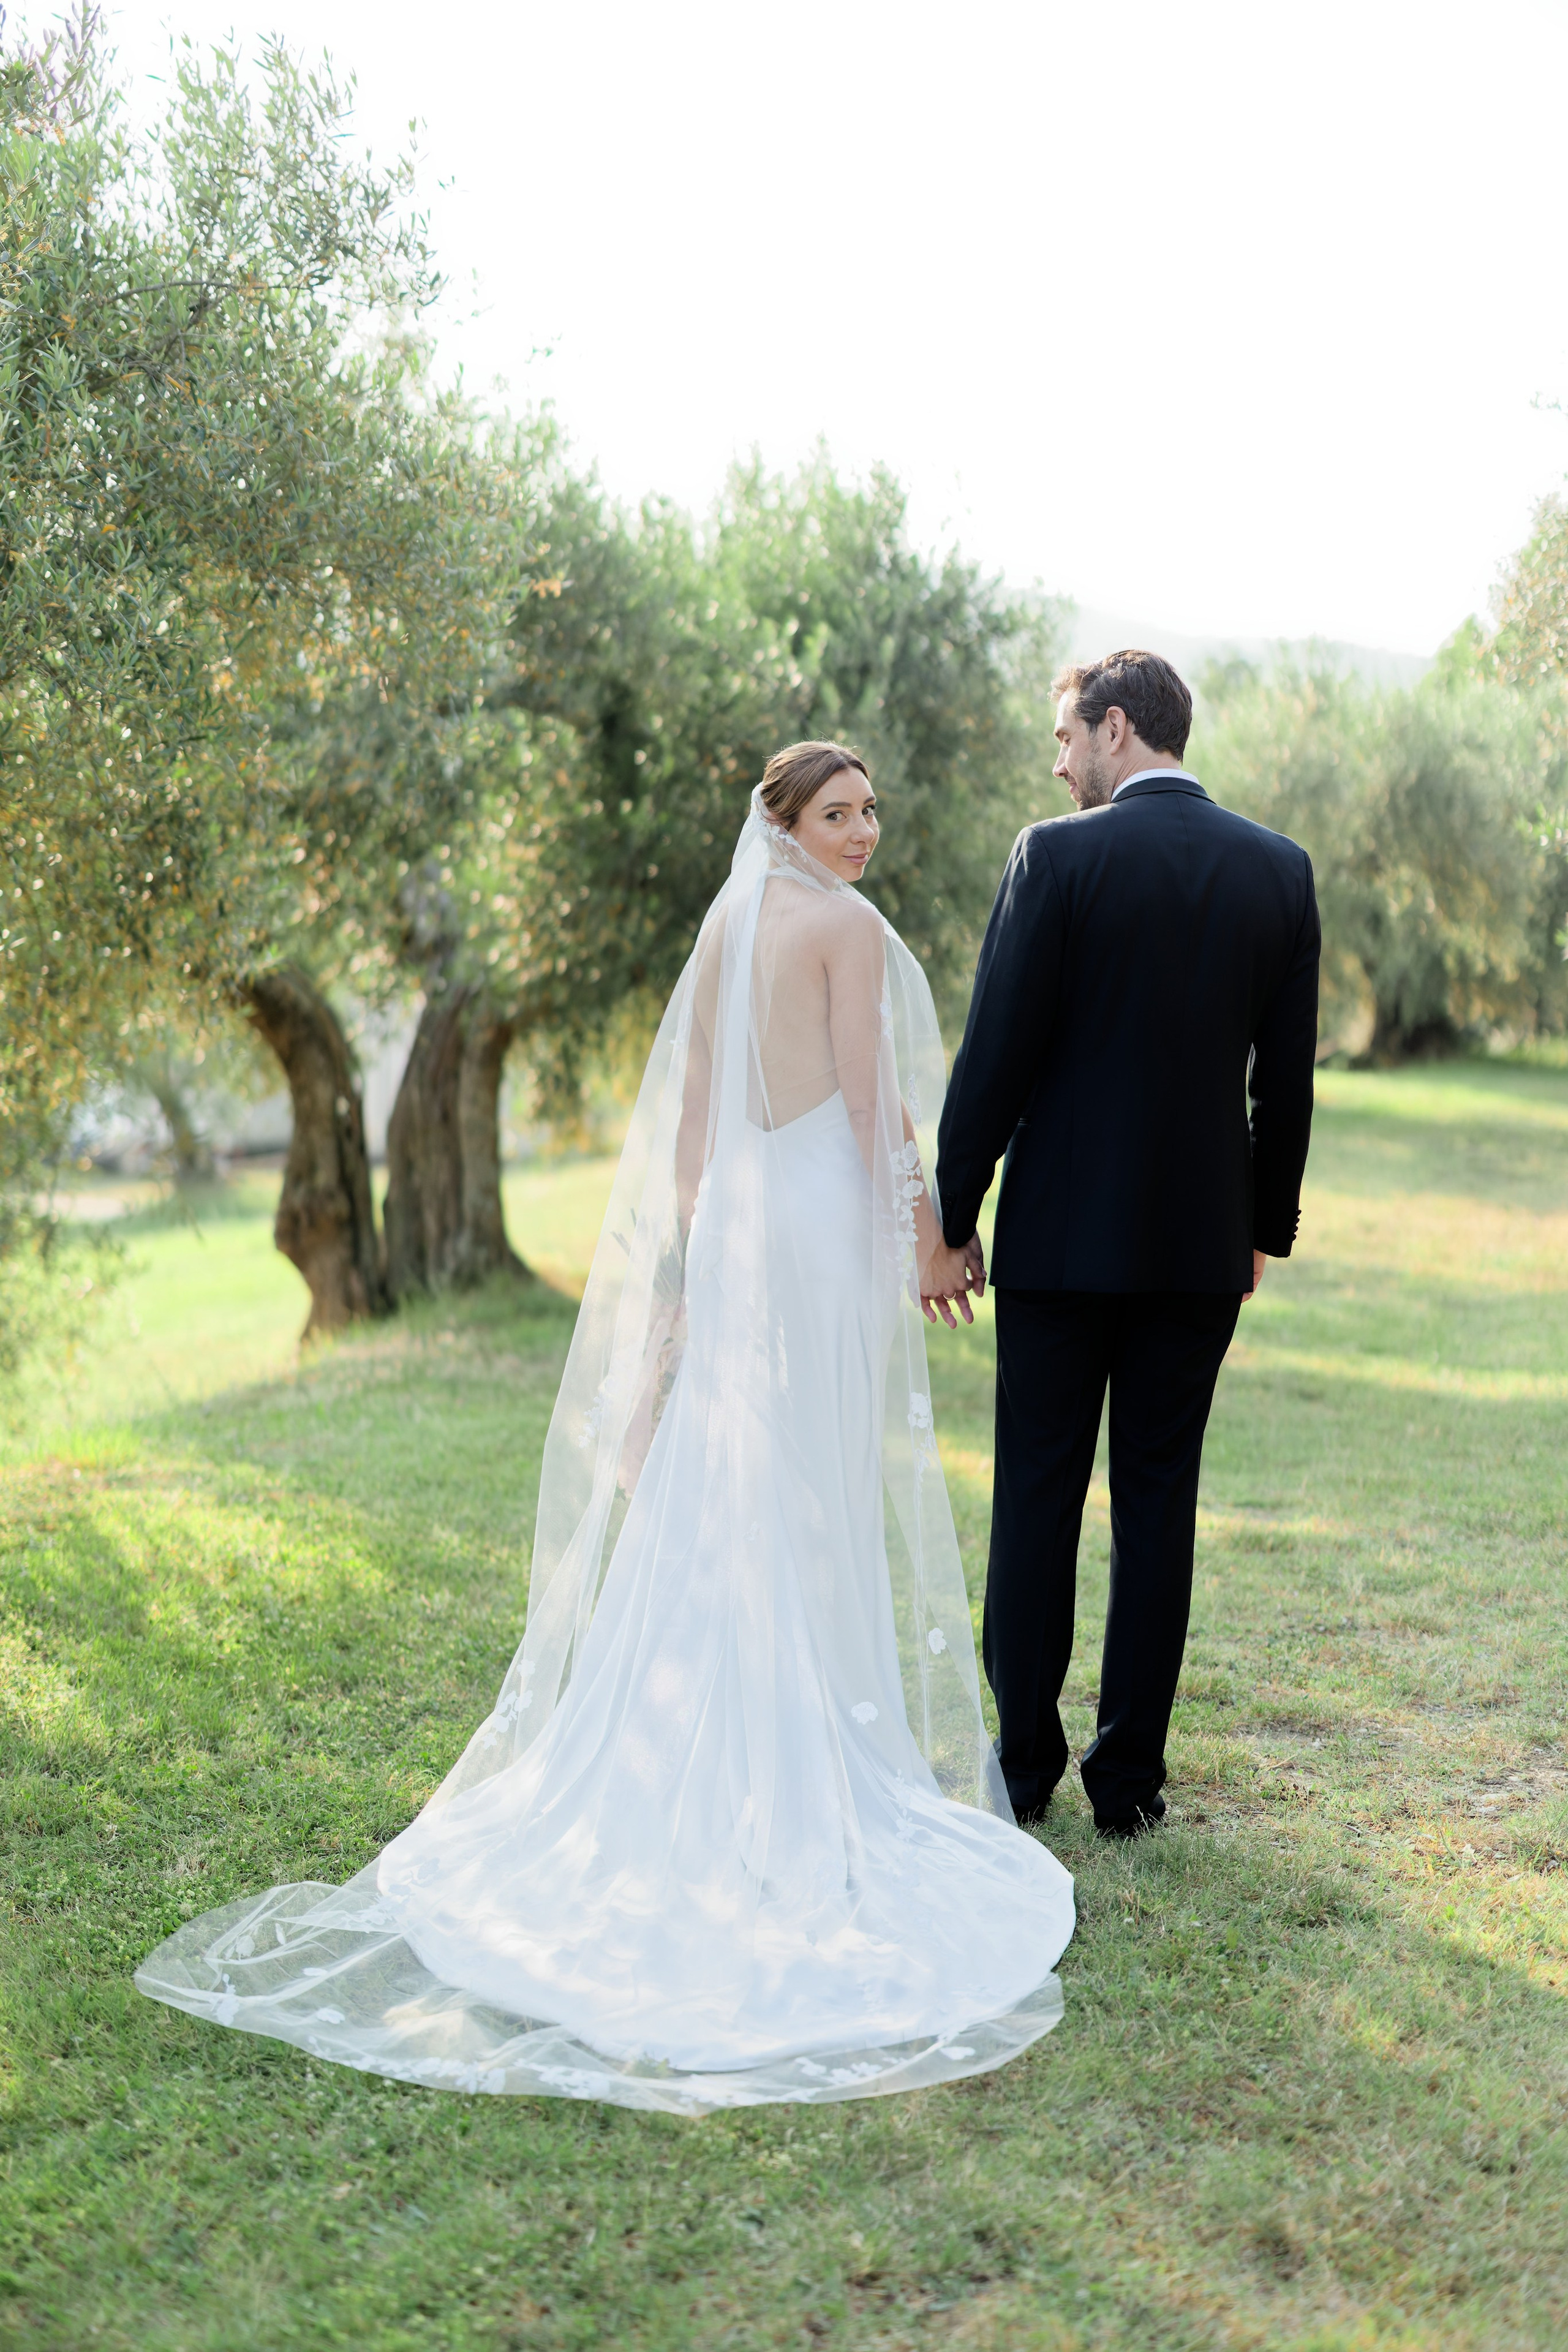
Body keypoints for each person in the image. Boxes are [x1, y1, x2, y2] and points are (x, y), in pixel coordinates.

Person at [137, 742, 1075, 2116]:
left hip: (745, 1231)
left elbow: (691, 1123)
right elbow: (877, 1113)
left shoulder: (729, 930)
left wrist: (690, 1262)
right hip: (810, 1230)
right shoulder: (847, 934)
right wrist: (923, 1236)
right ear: (785, 823)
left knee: (735, 1476)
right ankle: (789, 1762)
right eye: (837, 812)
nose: (863, 831)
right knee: (807, 1481)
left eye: (869, 811)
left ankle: (707, 1729)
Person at [936, 652, 1319, 1839]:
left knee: (1037, 1499)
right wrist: (1258, 1227)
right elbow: (1286, 1083)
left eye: (1064, 737)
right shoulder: (1277, 869)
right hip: (1197, 1250)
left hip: (1056, 1245)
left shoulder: (1052, 856)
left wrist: (950, 1216)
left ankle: (1023, 1764)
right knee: (1158, 1503)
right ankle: (1129, 1784)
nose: (1056, 762)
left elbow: (990, 1056)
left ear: (1114, 728)